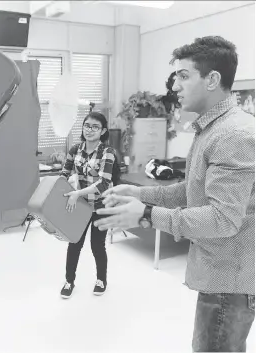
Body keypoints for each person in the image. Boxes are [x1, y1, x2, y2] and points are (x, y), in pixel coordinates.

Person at [95, 36, 255, 352]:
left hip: (230, 281)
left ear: (212, 80)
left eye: (183, 76)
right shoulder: (212, 128)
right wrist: (139, 193)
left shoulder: (233, 134)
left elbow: (223, 219)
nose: (175, 87)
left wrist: (144, 214)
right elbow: (191, 190)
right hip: (219, 273)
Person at [59, 111, 116, 299]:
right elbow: (64, 173)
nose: (89, 130)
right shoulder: (75, 149)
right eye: (86, 125)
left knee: (97, 246)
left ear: (103, 131)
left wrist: (77, 193)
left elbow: (103, 184)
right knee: (74, 243)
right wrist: (59, 189)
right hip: (81, 206)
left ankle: (102, 280)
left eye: (95, 127)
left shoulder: (107, 153)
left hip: (101, 205)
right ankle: (69, 281)